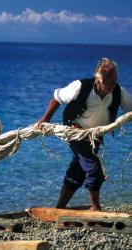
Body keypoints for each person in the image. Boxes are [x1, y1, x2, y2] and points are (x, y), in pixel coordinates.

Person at [37, 58, 132, 211]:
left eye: (115, 81)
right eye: (108, 81)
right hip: (75, 132)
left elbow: (131, 109)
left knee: (78, 171)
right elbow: (57, 97)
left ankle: (59, 208)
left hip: (95, 136)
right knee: (94, 168)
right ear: (98, 79)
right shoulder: (80, 86)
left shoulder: (118, 91)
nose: (112, 85)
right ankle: (95, 207)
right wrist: (45, 118)